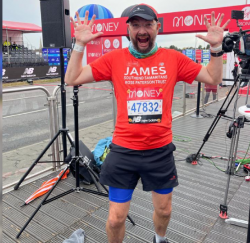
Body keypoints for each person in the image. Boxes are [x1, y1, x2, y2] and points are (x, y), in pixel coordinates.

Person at [65, 4, 229, 243]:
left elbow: (213, 78)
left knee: (164, 211)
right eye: (136, 25)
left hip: (159, 151)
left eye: (148, 24)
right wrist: (80, 45)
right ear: (129, 29)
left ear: (157, 28)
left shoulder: (173, 58)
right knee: (115, 219)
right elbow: (72, 78)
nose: (142, 30)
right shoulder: (114, 59)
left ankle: (159, 240)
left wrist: (216, 47)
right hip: (123, 150)